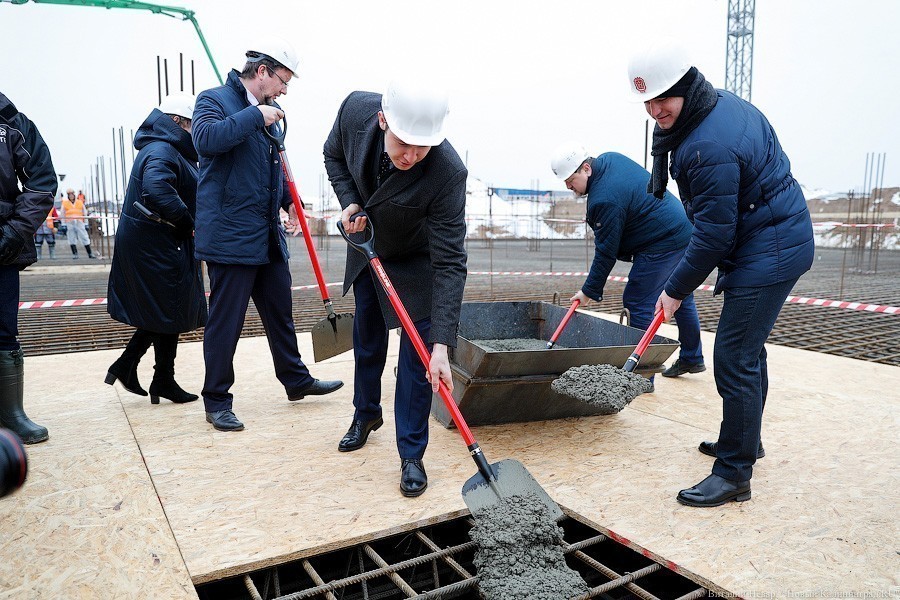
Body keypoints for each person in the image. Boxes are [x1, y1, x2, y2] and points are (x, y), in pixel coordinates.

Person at [628, 40, 814, 506]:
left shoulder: (706, 144)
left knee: (734, 357)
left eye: (663, 99)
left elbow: (713, 235)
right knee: (748, 351)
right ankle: (745, 440)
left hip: (770, 248)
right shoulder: (712, 107)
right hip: (771, 235)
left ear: (685, 86)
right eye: (647, 102)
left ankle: (734, 473)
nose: (655, 110)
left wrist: (674, 290)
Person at [324, 80, 467, 497]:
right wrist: (350, 201)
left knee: (417, 360)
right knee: (367, 337)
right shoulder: (354, 111)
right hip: (368, 244)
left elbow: (450, 262)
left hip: (418, 259)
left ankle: (411, 453)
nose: (411, 156)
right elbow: (333, 154)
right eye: (404, 145)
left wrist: (442, 345)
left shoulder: (447, 171)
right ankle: (365, 414)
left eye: (422, 149)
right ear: (383, 121)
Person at [192, 37, 343, 432]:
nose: (284, 91)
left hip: (265, 234)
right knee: (226, 322)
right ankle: (217, 400)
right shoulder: (214, 101)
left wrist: (290, 202)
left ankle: (295, 380)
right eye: (283, 81)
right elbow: (205, 140)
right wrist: (255, 116)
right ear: (262, 71)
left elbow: (269, 168)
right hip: (230, 237)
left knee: (280, 312)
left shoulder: (270, 113)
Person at [550, 143, 704, 389]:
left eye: (571, 180)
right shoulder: (609, 159)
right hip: (681, 228)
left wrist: (588, 291)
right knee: (679, 294)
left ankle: (642, 377)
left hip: (662, 241)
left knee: (638, 301)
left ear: (586, 168)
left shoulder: (603, 199)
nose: (569, 187)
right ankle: (692, 357)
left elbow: (606, 253)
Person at [105, 93, 207, 405]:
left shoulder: (167, 148)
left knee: (166, 308)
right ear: (178, 122)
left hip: (160, 241)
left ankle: (158, 377)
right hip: (158, 242)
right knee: (167, 307)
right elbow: (157, 188)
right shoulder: (163, 148)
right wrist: (188, 221)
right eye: (194, 124)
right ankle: (135, 367)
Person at [0, 91, 56, 444]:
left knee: (4, 330)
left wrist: (13, 233)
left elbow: (42, 180)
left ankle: (10, 415)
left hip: (2, 243)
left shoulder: (12, 123)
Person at [60, 188, 96, 259]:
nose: (71, 196)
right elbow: (62, 214)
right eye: (69, 195)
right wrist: (63, 224)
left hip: (79, 222)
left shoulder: (80, 202)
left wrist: (86, 223)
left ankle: (90, 253)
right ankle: (75, 254)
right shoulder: (65, 203)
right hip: (70, 223)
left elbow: (84, 213)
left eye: (72, 194)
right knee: (71, 238)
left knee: (84, 237)